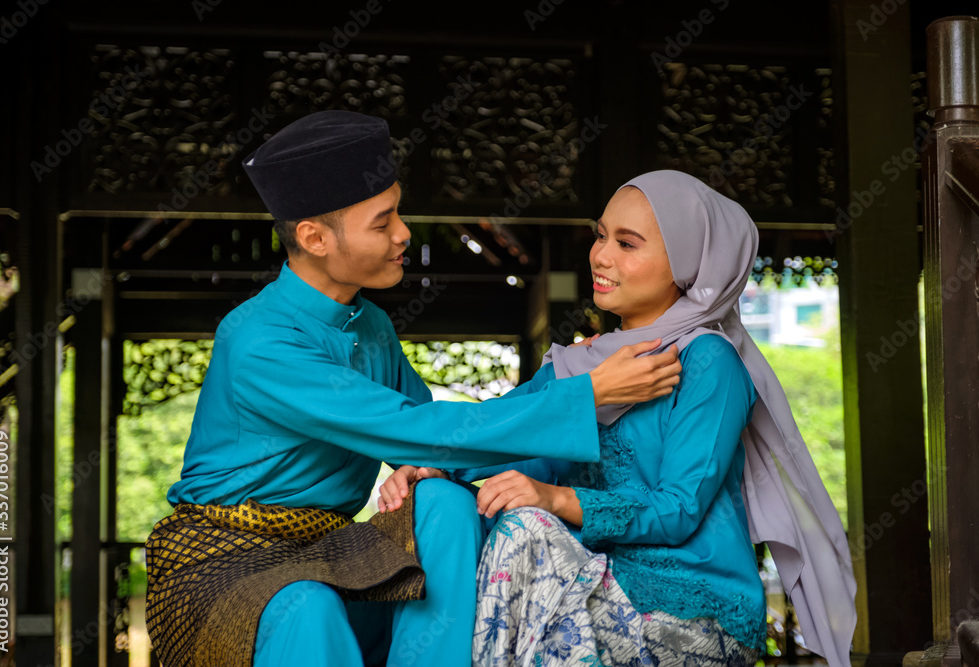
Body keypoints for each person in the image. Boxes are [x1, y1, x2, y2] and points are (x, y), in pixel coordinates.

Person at [144, 111, 684, 667]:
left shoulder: (369, 324)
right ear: (313, 238)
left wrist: (426, 464)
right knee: (307, 607)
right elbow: (418, 428)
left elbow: (437, 436)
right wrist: (587, 394)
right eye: (382, 223)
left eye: (397, 212)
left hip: (328, 549)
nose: (404, 232)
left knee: (444, 501)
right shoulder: (260, 341)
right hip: (223, 559)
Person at [380, 170, 856, 667]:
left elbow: (679, 508)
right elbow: (505, 430)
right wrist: (430, 467)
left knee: (528, 529)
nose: (602, 256)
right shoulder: (579, 365)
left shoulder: (708, 361)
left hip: (692, 605)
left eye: (628, 244)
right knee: (476, 509)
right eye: (602, 235)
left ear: (686, 266)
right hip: (593, 576)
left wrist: (555, 498)